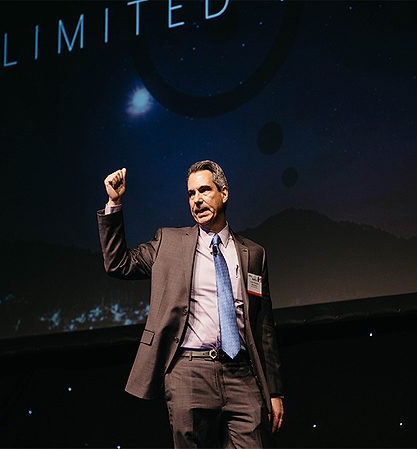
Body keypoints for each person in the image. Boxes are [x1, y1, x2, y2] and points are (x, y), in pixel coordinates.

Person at [97, 160, 284, 448]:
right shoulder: (169, 242)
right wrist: (114, 203)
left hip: (242, 373)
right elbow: (118, 263)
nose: (196, 200)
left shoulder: (253, 254)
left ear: (224, 193)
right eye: (191, 194)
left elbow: (264, 326)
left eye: (204, 190)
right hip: (189, 371)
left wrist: (274, 390)